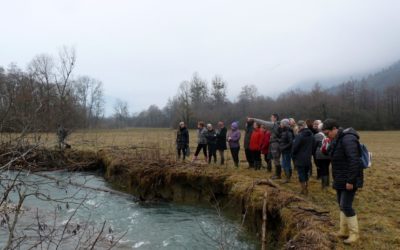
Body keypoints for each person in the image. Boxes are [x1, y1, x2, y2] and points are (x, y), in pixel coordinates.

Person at [322, 119, 363, 245]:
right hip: (339, 177)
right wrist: (326, 144)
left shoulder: (348, 139)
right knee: (341, 204)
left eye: (327, 132)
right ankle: (343, 231)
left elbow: (354, 161)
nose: (326, 135)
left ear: (334, 128)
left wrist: (351, 181)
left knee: (346, 205)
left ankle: (354, 234)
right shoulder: (336, 139)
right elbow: (328, 153)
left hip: (349, 179)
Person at [251, 114, 282, 179]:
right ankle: (277, 174)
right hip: (275, 143)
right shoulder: (277, 125)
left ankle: (278, 175)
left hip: (275, 144)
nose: (270, 118)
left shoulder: (274, 124)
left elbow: (263, 122)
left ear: (275, 118)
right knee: (276, 159)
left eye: (272, 117)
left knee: (276, 159)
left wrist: (253, 119)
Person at [292, 120, 314, 194]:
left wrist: (293, 154)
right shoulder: (311, 135)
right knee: (306, 173)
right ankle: (306, 188)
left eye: (299, 126)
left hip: (300, 157)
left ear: (300, 126)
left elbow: (295, 147)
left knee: (301, 174)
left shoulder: (300, 135)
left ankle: (303, 190)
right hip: (308, 158)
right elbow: (313, 146)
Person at [314, 122, 331, 189]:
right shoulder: (329, 134)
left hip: (320, 155)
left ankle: (323, 185)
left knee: (322, 169)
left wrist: (313, 153)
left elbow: (314, 146)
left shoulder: (317, 135)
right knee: (326, 168)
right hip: (328, 154)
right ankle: (327, 184)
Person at [279, 119, 294, 183]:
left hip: (287, 151)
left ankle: (288, 178)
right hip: (284, 150)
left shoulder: (289, 132)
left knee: (286, 164)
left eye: (281, 123)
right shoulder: (283, 131)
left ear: (285, 124)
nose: (280, 125)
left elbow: (290, 142)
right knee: (284, 164)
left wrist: (283, 147)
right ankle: (287, 177)